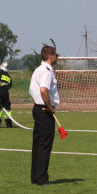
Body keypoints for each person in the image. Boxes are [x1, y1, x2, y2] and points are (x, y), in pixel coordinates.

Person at [29, 45, 60, 185]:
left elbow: (33, 90)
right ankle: (42, 178)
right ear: (51, 56)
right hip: (44, 110)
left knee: (37, 144)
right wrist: (49, 107)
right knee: (44, 145)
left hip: (37, 108)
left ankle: (35, 176)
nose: (57, 56)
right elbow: (43, 90)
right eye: (55, 54)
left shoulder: (38, 69)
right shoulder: (46, 71)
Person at [0, 61, 14, 128]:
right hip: (6, 93)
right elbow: (10, 86)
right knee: (7, 108)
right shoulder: (8, 76)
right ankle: (9, 124)